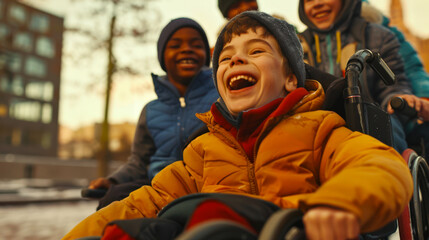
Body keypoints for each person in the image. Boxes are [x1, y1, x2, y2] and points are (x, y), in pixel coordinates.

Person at [63, 11, 413, 240]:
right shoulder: (203, 149)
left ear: (291, 78)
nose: (237, 59)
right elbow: (150, 197)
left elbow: (379, 166)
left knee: (214, 216)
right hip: (207, 226)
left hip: (289, 227)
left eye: (256, 51)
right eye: (226, 58)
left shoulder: (319, 128)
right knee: (135, 229)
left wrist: (338, 205)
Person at [88, 17, 219, 210]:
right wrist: (113, 181)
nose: (186, 49)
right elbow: (138, 163)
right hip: (157, 189)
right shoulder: (151, 110)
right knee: (112, 201)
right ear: (162, 58)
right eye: (175, 45)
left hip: (205, 187)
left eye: (196, 44)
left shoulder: (221, 98)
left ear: (206, 55)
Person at [298, 0, 429, 155]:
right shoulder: (298, 46)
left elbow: (394, 82)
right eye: (308, 0)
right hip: (323, 123)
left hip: (373, 115)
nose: (317, 3)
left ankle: (391, 170)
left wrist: (397, 97)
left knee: (385, 124)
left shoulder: (377, 36)